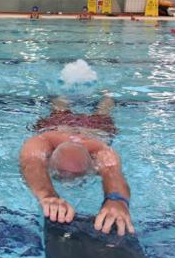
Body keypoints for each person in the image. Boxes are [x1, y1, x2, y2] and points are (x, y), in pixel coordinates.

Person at [20, 96, 135, 237]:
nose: (70, 183)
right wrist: (47, 196)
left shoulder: (101, 150)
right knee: (62, 108)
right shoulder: (41, 142)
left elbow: (113, 173)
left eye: (80, 177)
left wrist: (117, 201)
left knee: (102, 112)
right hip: (69, 126)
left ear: (94, 165)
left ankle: (106, 97)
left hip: (91, 129)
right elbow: (32, 165)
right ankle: (102, 96)